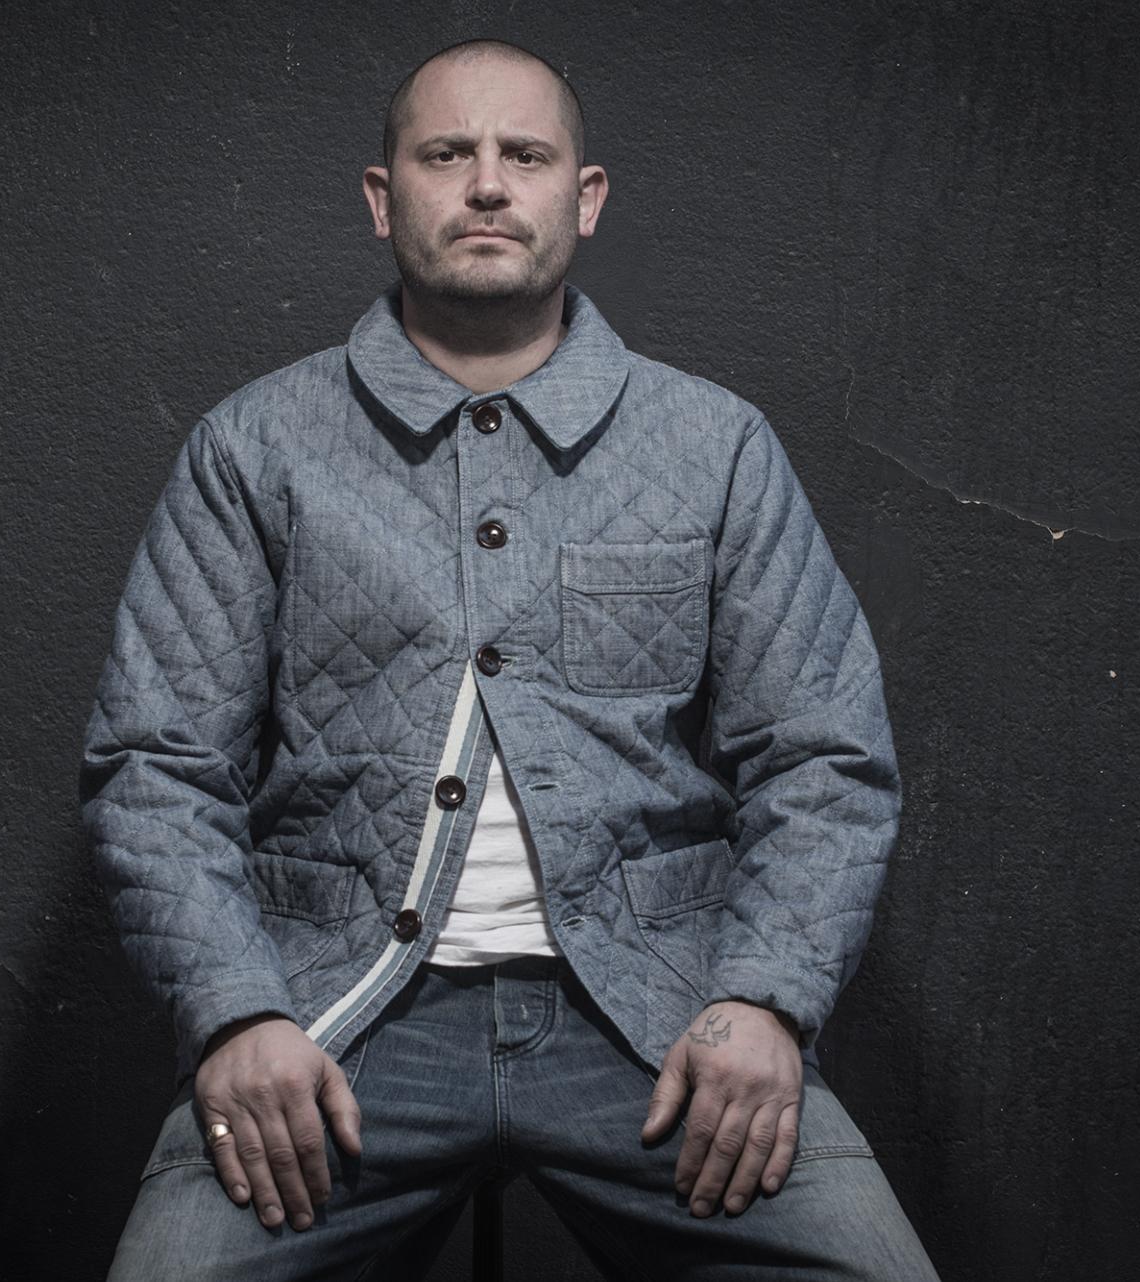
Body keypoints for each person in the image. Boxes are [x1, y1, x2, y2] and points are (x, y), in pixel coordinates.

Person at [79, 37, 939, 1281]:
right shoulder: (254, 446)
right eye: (447, 154)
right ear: (383, 198)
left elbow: (826, 755)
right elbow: (156, 766)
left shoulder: (713, 446)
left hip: (657, 1020)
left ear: (583, 198)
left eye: (524, 155)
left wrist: (764, 1000)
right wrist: (237, 1014)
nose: (487, 184)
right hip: (336, 1021)